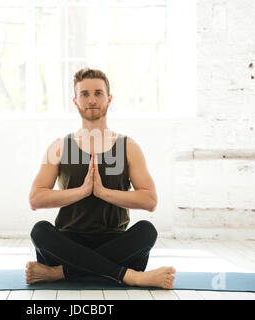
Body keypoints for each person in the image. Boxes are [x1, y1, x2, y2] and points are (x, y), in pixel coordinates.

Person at [26, 68, 176, 288]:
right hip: (68, 242)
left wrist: (103, 193)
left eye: (98, 93)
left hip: (116, 242)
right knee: (40, 230)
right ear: (75, 101)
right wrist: (82, 192)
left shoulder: (128, 147)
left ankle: (59, 273)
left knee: (146, 230)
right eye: (85, 94)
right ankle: (129, 276)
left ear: (109, 98)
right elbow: (36, 199)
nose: (92, 99)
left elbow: (150, 201)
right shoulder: (59, 146)